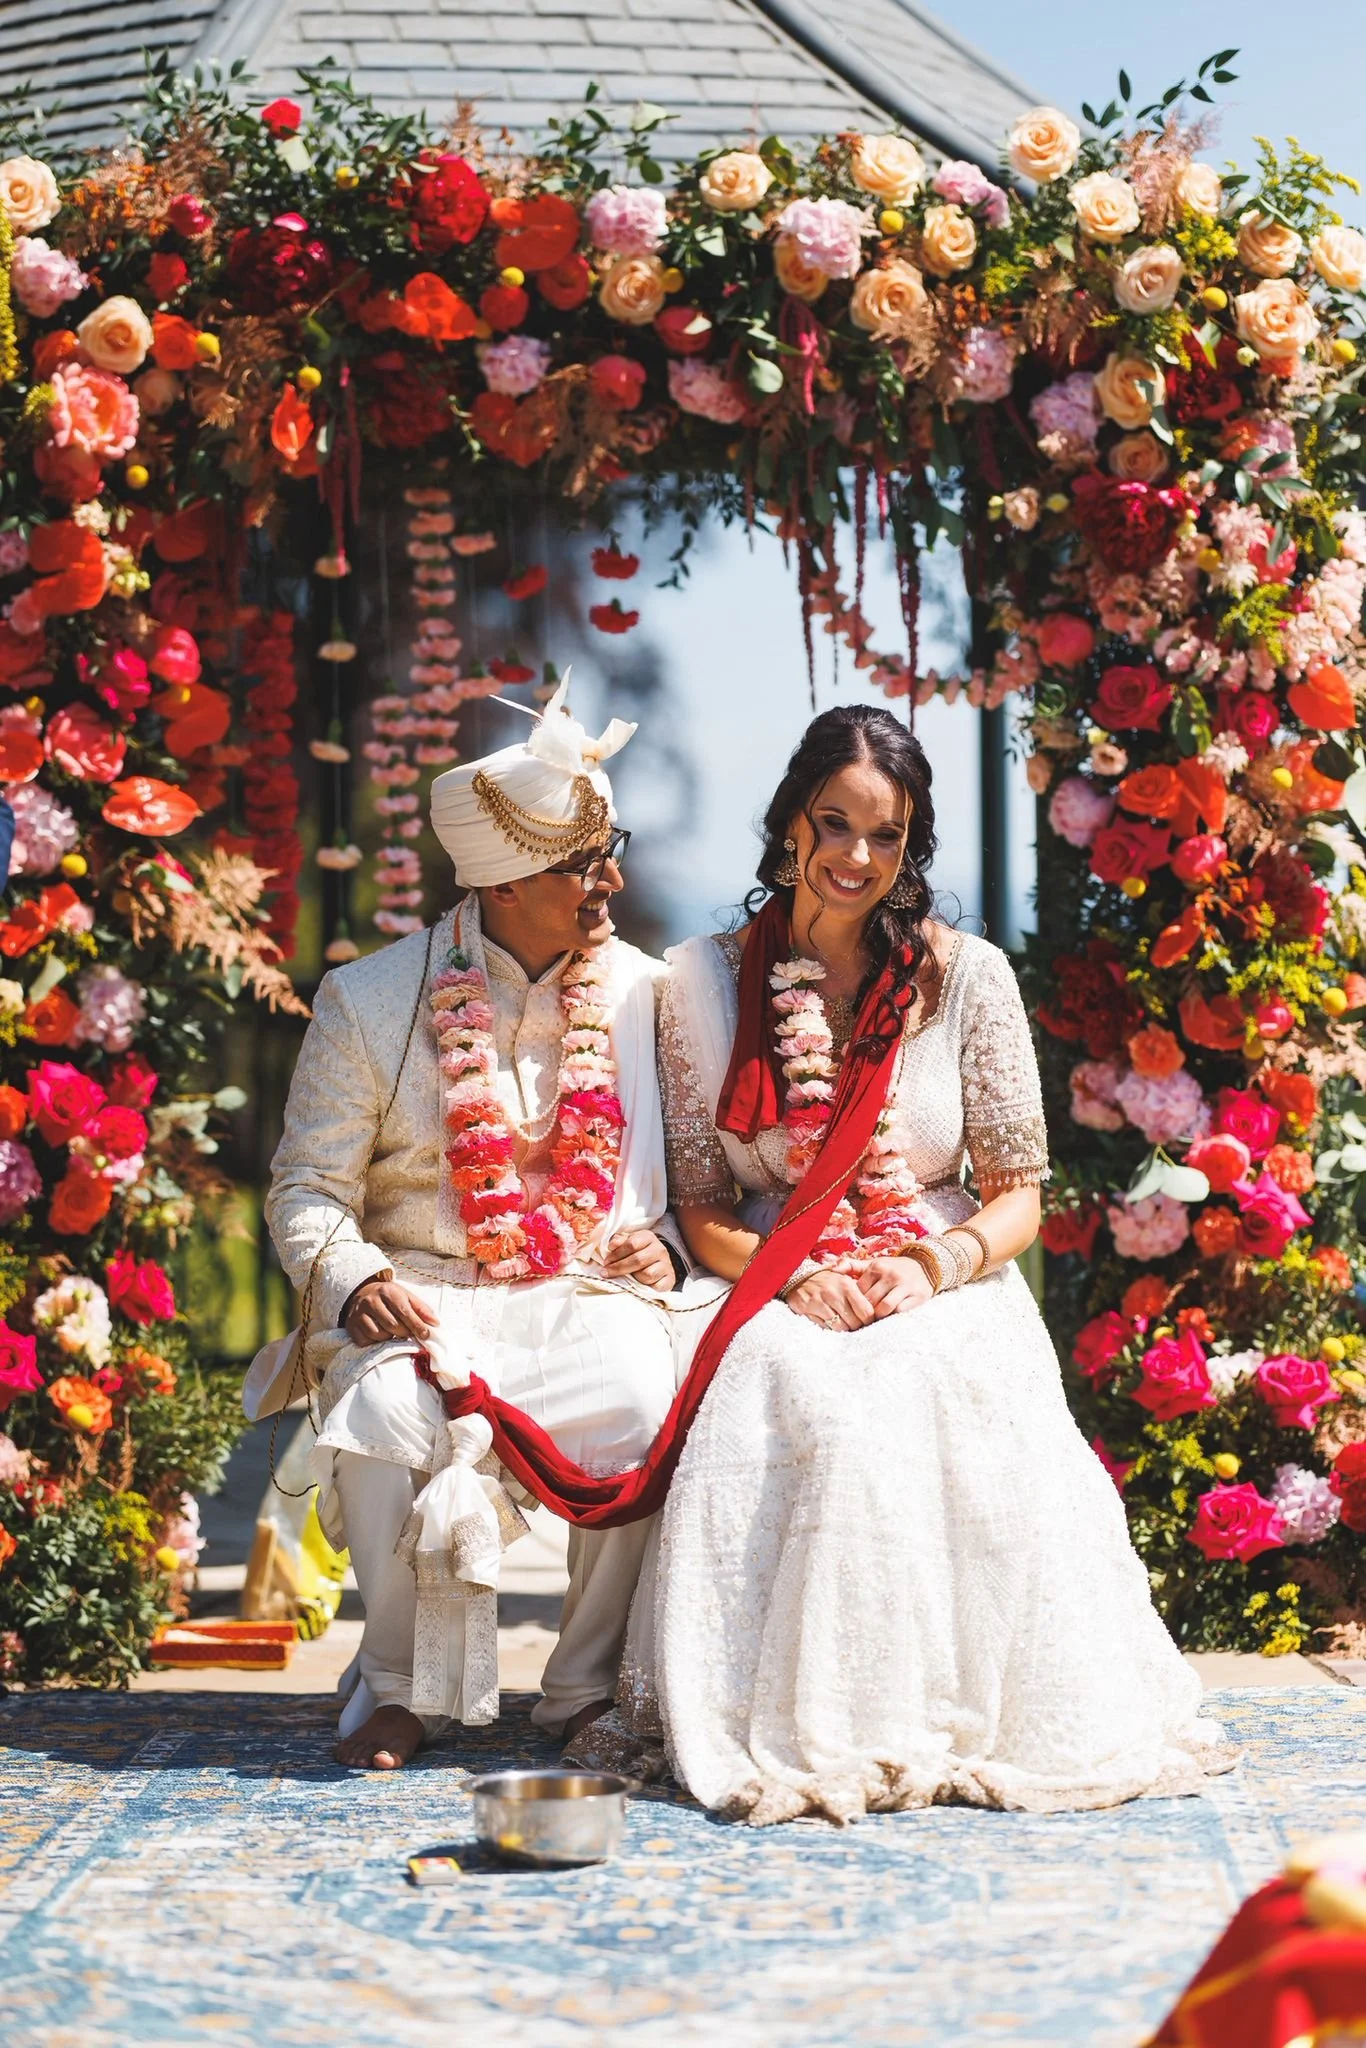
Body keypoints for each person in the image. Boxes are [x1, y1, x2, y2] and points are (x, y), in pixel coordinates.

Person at [577, 704, 1231, 1823]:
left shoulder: (965, 977)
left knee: (938, 1377)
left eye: (887, 836)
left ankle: (956, 1700)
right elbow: (700, 1202)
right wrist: (786, 1278)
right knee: (789, 1381)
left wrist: (934, 1266)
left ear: (912, 845)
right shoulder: (697, 985)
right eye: (835, 824)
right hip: (774, 1265)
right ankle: (801, 1715)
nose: (856, 858)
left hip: (940, 1263)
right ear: (789, 821)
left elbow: (1018, 1189)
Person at [264, 682, 686, 1771]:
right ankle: (402, 1687)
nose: (612, 882)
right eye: (583, 864)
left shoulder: (651, 994)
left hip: (584, 1287)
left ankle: (587, 1685)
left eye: (608, 851)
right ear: (502, 885)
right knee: (381, 1409)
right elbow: (304, 1185)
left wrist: (671, 1241)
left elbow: (704, 1177)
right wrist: (352, 1277)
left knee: (646, 1400)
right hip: (419, 1290)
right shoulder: (370, 998)